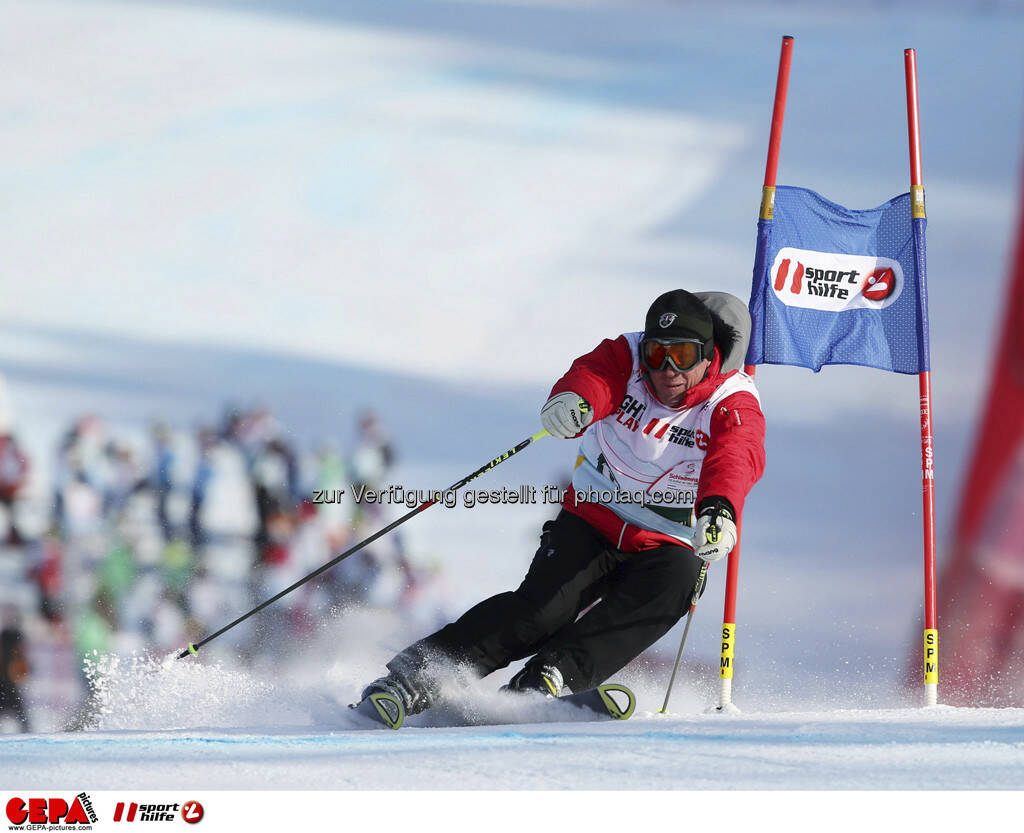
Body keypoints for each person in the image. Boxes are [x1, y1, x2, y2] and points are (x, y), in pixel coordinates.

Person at [358, 289, 765, 715]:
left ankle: (548, 680)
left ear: (708, 355)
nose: (667, 369)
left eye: (681, 355)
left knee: (677, 582)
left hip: (668, 539)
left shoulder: (732, 399)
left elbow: (736, 455)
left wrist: (719, 510)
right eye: (656, 353)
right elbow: (595, 376)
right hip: (594, 517)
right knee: (540, 613)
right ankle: (411, 680)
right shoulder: (627, 356)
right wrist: (575, 400)